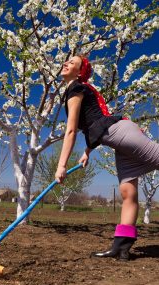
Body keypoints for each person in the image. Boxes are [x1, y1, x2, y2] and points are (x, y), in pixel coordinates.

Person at [55, 55, 159, 260]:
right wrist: (87, 152)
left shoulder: (77, 88)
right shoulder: (75, 90)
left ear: (80, 72)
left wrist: (61, 165)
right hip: (117, 139)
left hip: (121, 134)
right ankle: (121, 247)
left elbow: (71, 130)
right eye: (66, 61)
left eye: (72, 63)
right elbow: (95, 123)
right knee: (128, 192)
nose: (65, 63)